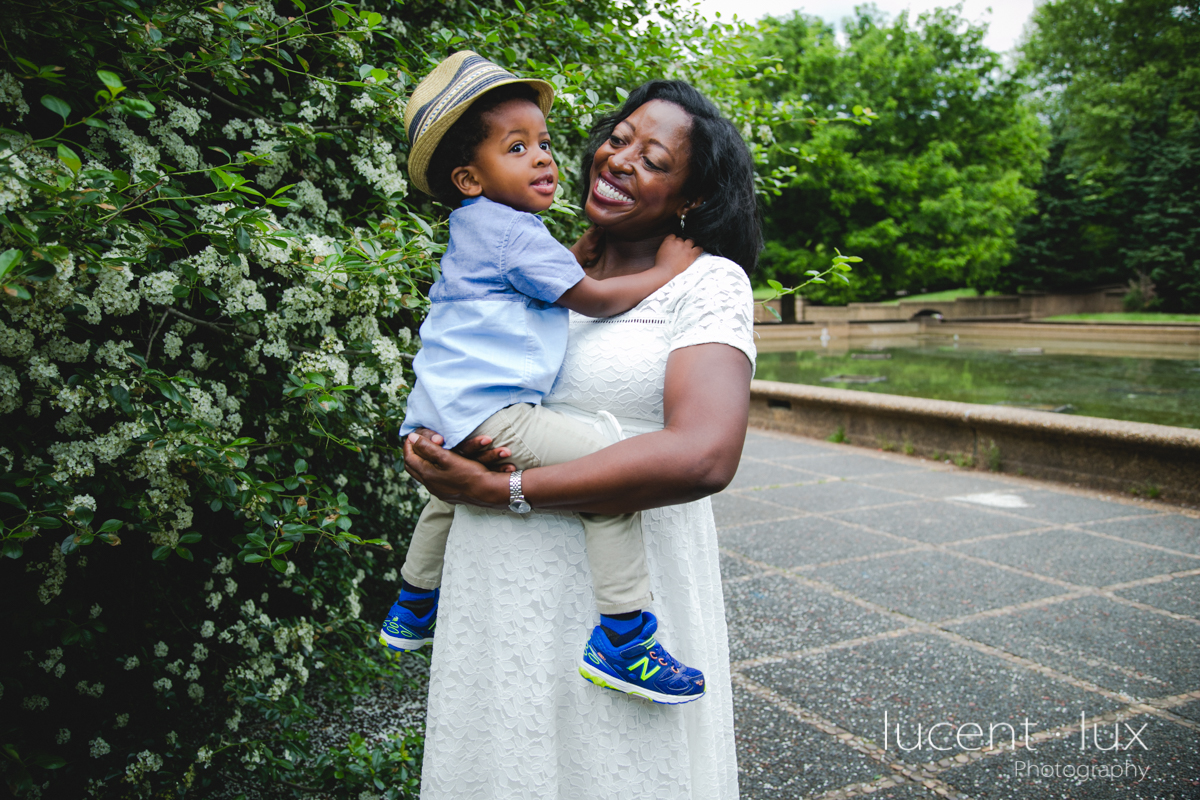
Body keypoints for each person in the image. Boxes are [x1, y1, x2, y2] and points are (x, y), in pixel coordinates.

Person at [403, 78, 759, 799]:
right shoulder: (543, 266)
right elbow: (474, 376)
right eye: (619, 139)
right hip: (500, 582)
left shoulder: (704, 282)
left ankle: (625, 648)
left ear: (691, 196)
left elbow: (705, 455)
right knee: (506, 759)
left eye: (655, 160)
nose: (621, 159)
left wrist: (506, 490)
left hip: (621, 584)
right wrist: (440, 445)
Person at [382, 51, 708, 704]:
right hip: (497, 409)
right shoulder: (516, 236)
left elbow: (553, 272)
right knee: (615, 471)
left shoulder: (476, 227)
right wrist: (671, 269)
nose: (542, 159)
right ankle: (624, 637)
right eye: (518, 147)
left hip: (444, 410)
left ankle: (412, 604)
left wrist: (576, 254)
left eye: (545, 144)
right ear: (471, 178)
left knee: (445, 495)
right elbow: (594, 298)